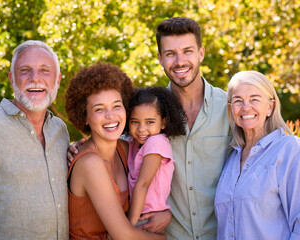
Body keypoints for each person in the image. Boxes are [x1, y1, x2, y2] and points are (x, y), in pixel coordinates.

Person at [68, 17, 232, 239]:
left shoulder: (230, 109)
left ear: (201, 53)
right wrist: (75, 147)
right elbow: (107, 139)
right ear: (160, 59)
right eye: (170, 53)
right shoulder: (147, 114)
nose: (180, 61)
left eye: (187, 51)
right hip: (167, 233)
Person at [65, 62, 167, 240]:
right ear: (85, 116)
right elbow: (124, 235)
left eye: (116, 106)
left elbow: (155, 186)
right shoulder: (90, 163)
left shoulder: (126, 149)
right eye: (99, 109)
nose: (111, 116)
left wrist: (167, 215)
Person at [0, 40, 69, 239]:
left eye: (45, 70)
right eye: (25, 70)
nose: (35, 78)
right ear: (12, 79)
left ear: (58, 80)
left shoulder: (60, 130)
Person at [214, 70, 300, 239]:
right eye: (238, 101)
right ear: (230, 108)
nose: (246, 107)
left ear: (270, 107)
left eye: (254, 99)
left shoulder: (290, 150)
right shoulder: (231, 157)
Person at [125, 87, 186, 229]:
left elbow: (143, 184)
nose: (141, 129)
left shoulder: (156, 142)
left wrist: (128, 226)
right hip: (138, 214)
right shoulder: (134, 142)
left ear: (163, 123)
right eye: (135, 121)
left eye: (149, 122)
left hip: (146, 217)